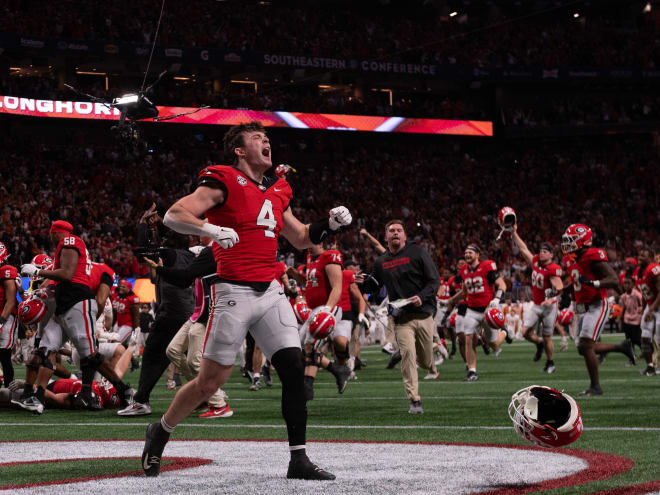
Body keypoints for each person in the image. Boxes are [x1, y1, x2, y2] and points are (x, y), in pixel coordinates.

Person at [141, 121, 350, 480]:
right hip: (232, 291)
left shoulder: (275, 189)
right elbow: (175, 215)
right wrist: (210, 229)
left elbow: (300, 237)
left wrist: (327, 225)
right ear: (239, 151)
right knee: (209, 383)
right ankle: (160, 430)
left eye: (267, 138)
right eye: (257, 138)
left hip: (269, 291)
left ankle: (298, 458)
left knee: (292, 370)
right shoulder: (223, 178)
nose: (266, 141)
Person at [17, 220, 133, 412]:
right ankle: (34, 396)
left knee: (90, 355)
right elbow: (57, 280)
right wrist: (37, 293)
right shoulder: (75, 255)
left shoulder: (71, 242)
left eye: (52, 234)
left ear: (56, 233)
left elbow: (68, 275)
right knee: (44, 349)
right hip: (63, 304)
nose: (51, 238)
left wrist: (37, 271)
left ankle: (123, 391)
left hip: (78, 303)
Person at [117, 205, 195, 416]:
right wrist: (159, 225)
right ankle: (208, 396)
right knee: (186, 358)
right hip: (188, 312)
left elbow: (145, 250)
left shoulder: (170, 255)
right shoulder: (188, 256)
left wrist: (143, 224)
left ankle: (141, 400)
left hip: (172, 313)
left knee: (153, 353)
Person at [142, 241, 233, 418]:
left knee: (195, 361)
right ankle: (203, 396)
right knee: (173, 350)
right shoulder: (205, 252)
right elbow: (184, 279)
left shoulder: (215, 251)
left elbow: (185, 275)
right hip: (197, 314)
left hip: (208, 314)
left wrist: (160, 268)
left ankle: (219, 404)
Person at [362, 220, 440, 414]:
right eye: (391, 231)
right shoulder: (381, 262)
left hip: (424, 315)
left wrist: (421, 297)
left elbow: (434, 281)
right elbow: (372, 287)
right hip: (401, 318)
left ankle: (434, 354)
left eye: (399, 230)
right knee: (407, 355)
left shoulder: (418, 252)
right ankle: (414, 399)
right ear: (386, 236)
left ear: (405, 236)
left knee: (425, 361)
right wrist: (360, 282)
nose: (395, 233)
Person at [561, 224, 636, 396]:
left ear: (583, 241)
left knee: (586, 345)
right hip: (583, 307)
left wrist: (596, 284)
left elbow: (613, 278)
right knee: (582, 347)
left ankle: (596, 387)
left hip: (597, 305)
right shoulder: (573, 259)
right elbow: (577, 283)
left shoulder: (591, 255)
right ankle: (622, 347)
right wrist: (562, 292)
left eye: (571, 240)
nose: (567, 244)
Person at [444, 244, 508, 381]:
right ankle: (472, 371)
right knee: (468, 338)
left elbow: (502, 284)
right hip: (471, 310)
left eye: (470, 253)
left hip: (487, 310)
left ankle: (504, 331)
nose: (467, 255)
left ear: (477, 255)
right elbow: (464, 292)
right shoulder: (463, 270)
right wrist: (450, 300)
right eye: (466, 253)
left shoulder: (487, 266)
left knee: (494, 344)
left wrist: (497, 298)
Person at [511, 226, 563, 373]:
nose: (541, 253)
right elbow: (523, 248)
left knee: (548, 337)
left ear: (551, 255)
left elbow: (559, 287)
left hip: (549, 307)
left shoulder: (553, 268)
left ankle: (550, 362)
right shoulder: (535, 262)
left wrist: (551, 300)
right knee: (524, 332)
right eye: (540, 251)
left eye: (545, 251)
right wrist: (514, 232)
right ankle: (538, 344)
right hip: (536, 304)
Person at [632, 247, 660, 376]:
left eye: (643, 256)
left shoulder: (654, 269)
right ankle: (650, 367)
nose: (639, 257)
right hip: (651, 305)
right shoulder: (638, 271)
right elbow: (644, 292)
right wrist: (645, 308)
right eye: (639, 255)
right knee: (645, 338)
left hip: (657, 306)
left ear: (650, 258)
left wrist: (651, 309)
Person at [0, 242, 18, 389]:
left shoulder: (7, 270)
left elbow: (11, 300)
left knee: (4, 354)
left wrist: (1, 321)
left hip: (6, 318)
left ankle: (8, 389)